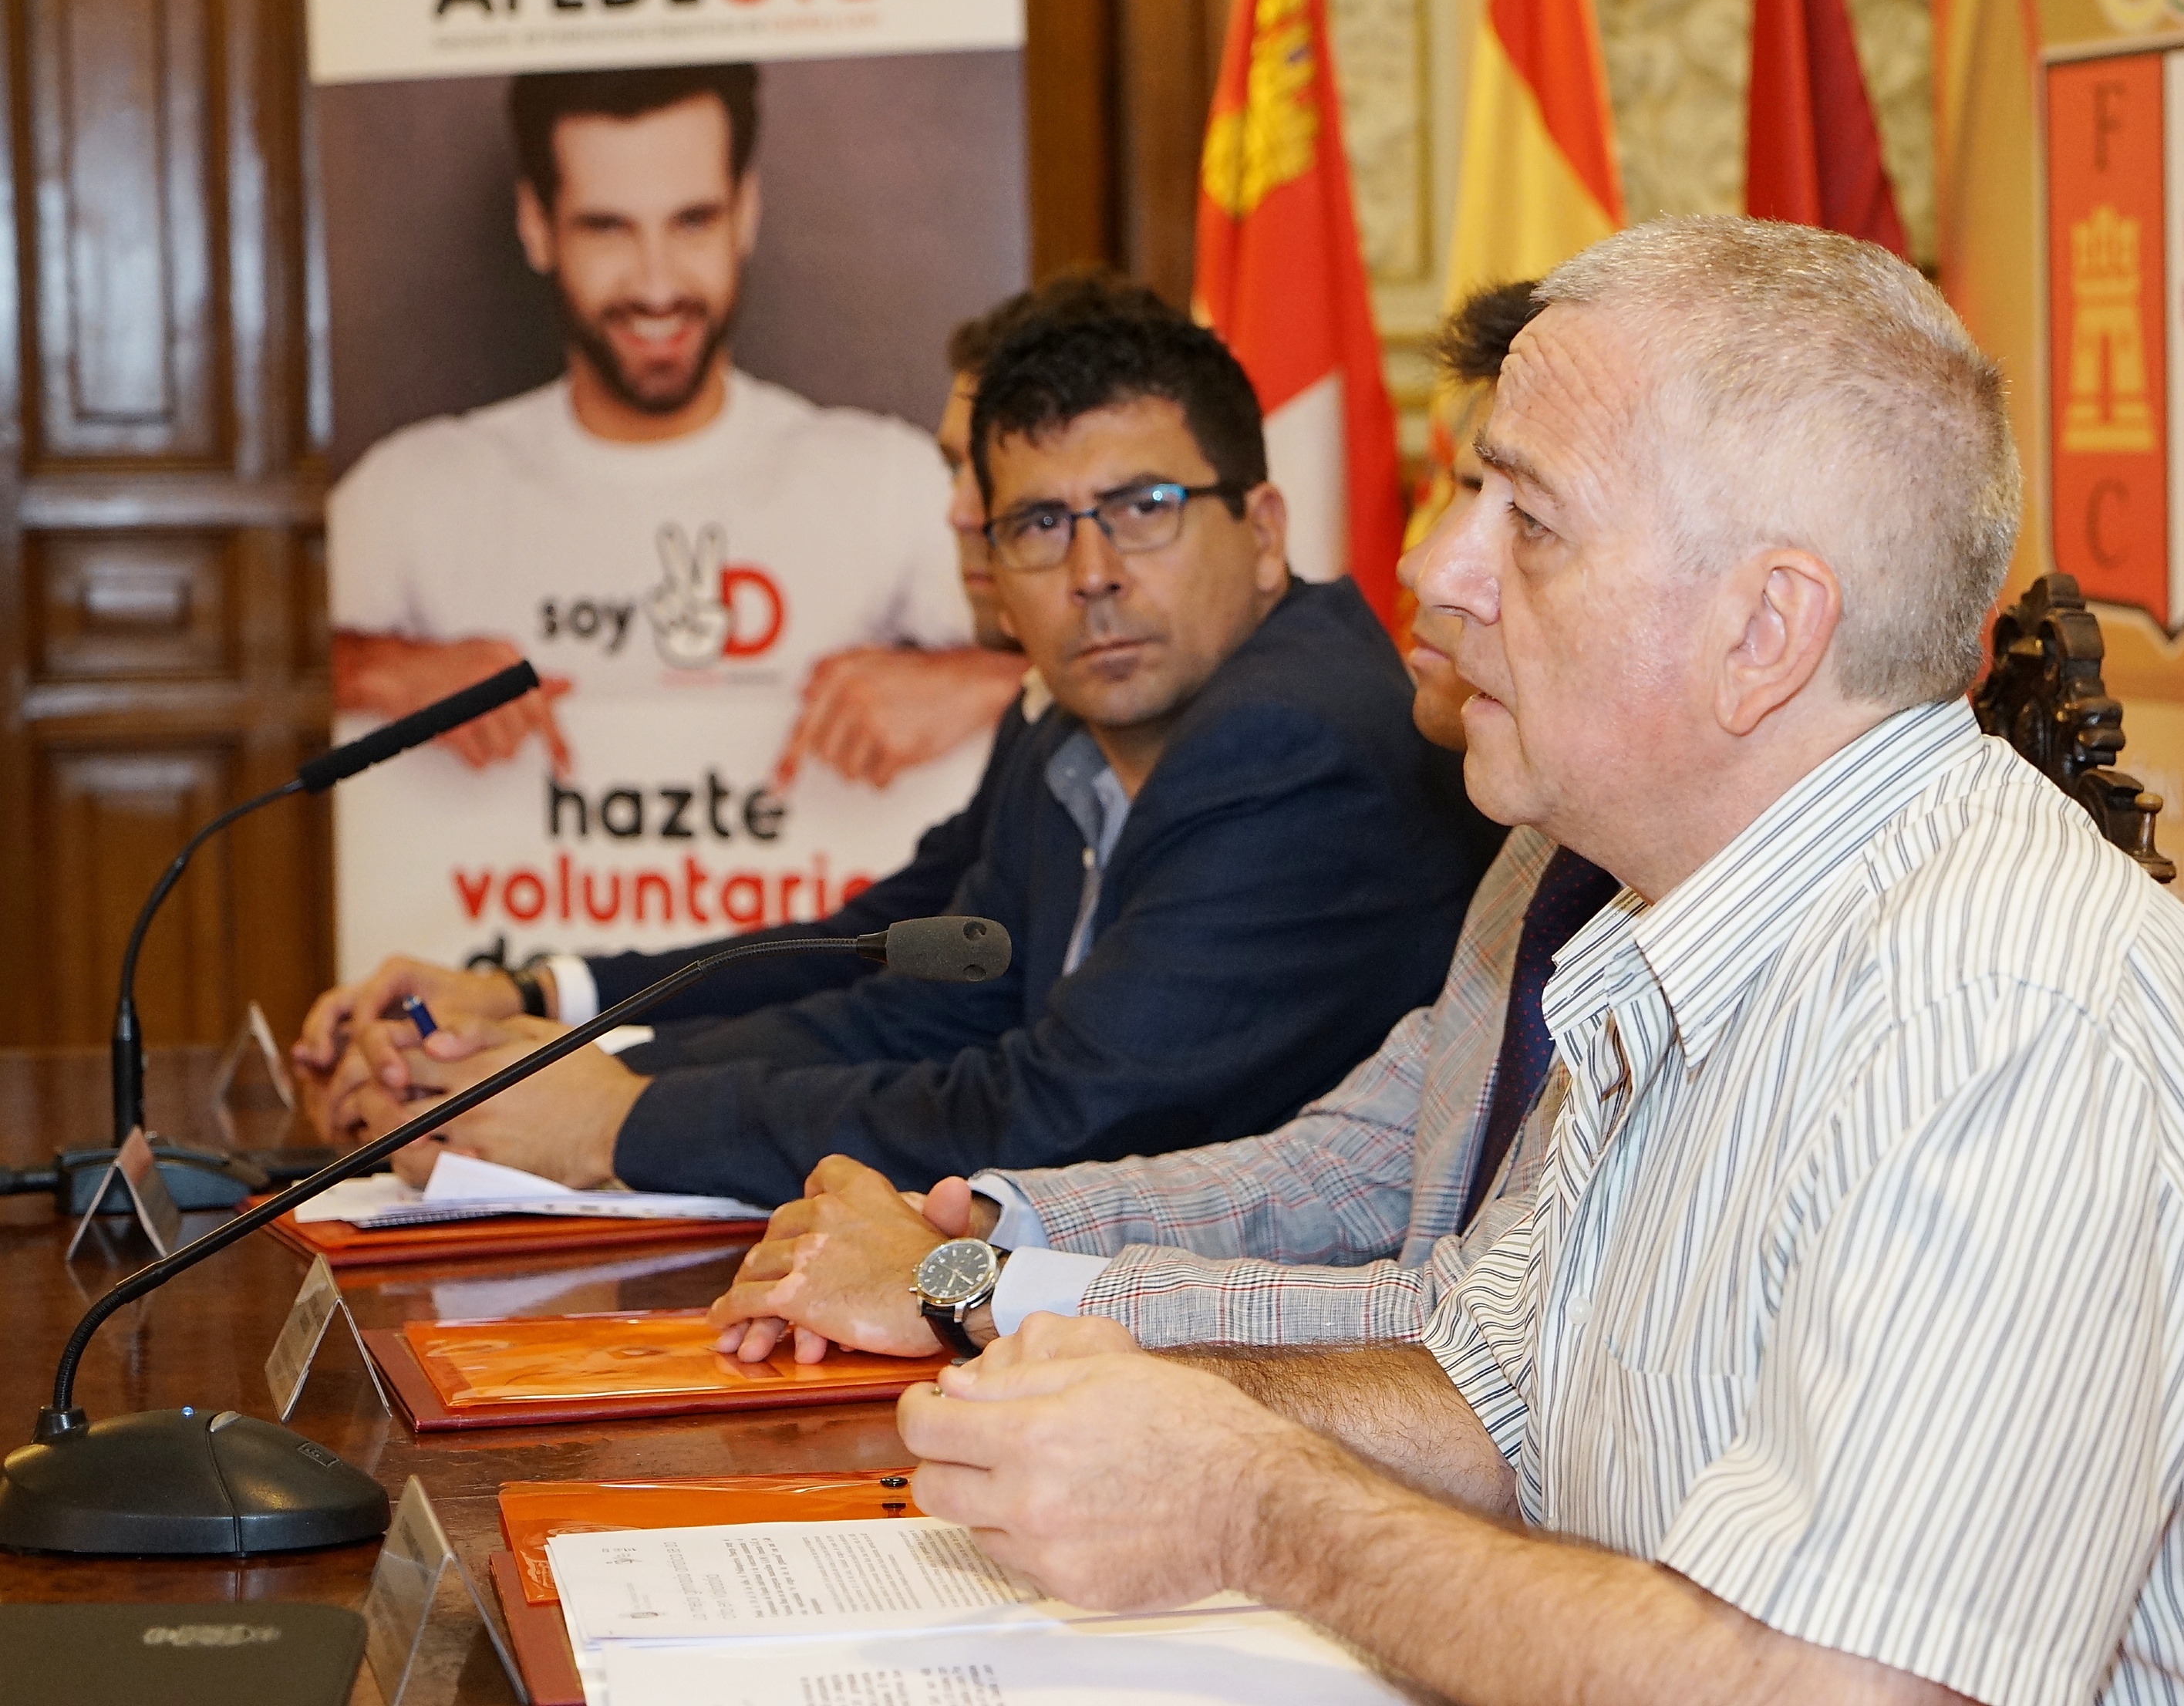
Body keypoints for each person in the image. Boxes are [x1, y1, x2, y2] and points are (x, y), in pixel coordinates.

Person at [890, 218, 2184, 1706]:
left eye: (1527, 523)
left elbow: (1837, 1689)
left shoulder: (1995, 1016)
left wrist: (1253, 1506)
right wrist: (1128, 1394)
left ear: (1762, 635)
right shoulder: (1685, 929)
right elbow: (1494, 1401)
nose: (1439, 577)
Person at [349, 305, 1493, 1209]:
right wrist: (558, 1076)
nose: (1092, 572)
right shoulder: (1070, 732)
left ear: (1264, 532)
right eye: (1039, 524)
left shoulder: (1291, 741)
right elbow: (923, 1012)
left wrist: (617, 1119)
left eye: (1143, 508)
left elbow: (1065, 1113)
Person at [704, 283, 1574, 1357]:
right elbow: (1344, 1170)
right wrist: (979, 1226)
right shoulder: (1538, 856)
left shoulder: (1300, 737)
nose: (1423, 566)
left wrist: (969, 1285)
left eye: (1524, 519)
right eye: (1462, 493)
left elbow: (1496, 1340)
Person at [297, 273, 1175, 1103]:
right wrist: (527, 1002)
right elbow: (859, 954)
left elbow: (1021, 1078)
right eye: (956, 467)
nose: (956, 511)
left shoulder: (1209, 742)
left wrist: (584, 1096)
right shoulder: (1046, 720)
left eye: (988, 470)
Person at [330, 62, 1016, 784]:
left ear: (745, 213)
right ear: (537, 227)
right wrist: (374, 669)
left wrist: (983, 683)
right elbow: (258, 670)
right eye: (607, 228)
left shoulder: (884, 480)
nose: (656, 285)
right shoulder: (411, 491)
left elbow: (1087, 661)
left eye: (693, 221)